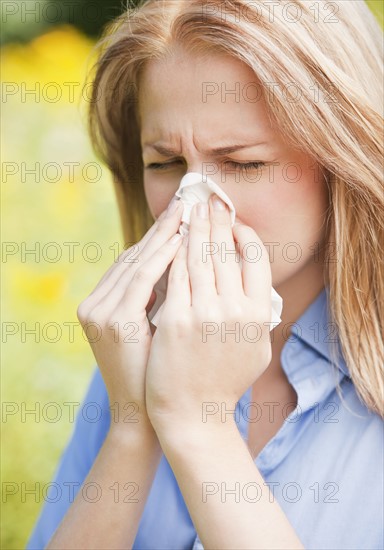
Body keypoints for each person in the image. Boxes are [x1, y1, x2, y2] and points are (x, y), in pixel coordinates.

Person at [26, 0, 383, 548]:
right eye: (165, 164)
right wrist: (131, 427)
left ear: (345, 161)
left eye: (244, 163)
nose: (191, 205)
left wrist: (200, 428)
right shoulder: (130, 358)